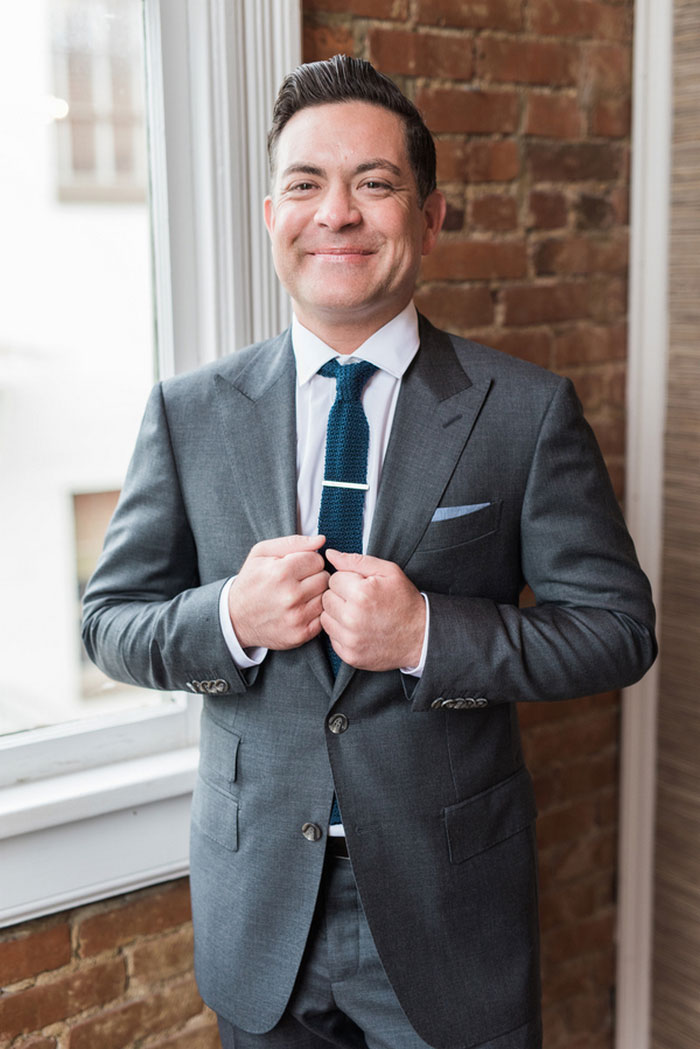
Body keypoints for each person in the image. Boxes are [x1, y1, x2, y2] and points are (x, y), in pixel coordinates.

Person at [82, 55, 656, 1049]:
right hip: (260, 907)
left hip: (449, 912)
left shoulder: (523, 410)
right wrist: (229, 619)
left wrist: (432, 631)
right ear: (272, 216)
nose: (336, 212)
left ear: (429, 217)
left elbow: (616, 631)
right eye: (305, 184)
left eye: (374, 183)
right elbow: (108, 621)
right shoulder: (188, 413)